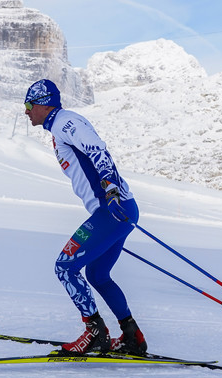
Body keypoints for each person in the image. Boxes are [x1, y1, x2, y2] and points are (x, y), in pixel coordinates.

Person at [23, 79, 147, 356]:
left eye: (29, 105)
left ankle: (95, 334)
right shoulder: (58, 126)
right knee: (98, 274)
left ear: (44, 104)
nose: (26, 111)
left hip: (113, 209)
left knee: (65, 267)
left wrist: (111, 190)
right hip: (117, 210)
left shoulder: (65, 122)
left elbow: (98, 149)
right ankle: (132, 337)